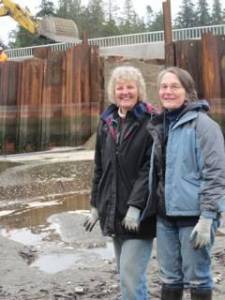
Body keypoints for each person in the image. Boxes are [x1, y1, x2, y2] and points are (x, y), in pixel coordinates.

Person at [150, 66, 225, 300]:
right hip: (165, 216)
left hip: (194, 216)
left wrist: (207, 217)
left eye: (175, 86)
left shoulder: (203, 126)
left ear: (188, 91)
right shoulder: (160, 124)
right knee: (169, 278)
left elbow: (215, 174)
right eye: (164, 86)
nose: (168, 91)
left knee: (198, 278)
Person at [83, 65, 156, 300]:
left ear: (139, 90)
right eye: (120, 87)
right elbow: (100, 167)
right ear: (113, 92)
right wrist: (96, 205)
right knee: (126, 276)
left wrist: (136, 206)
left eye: (130, 87)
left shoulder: (150, 121)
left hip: (139, 216)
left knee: (130, 277)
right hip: (114, 211)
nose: (125, 92)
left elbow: (150, 170)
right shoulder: (107, 122)